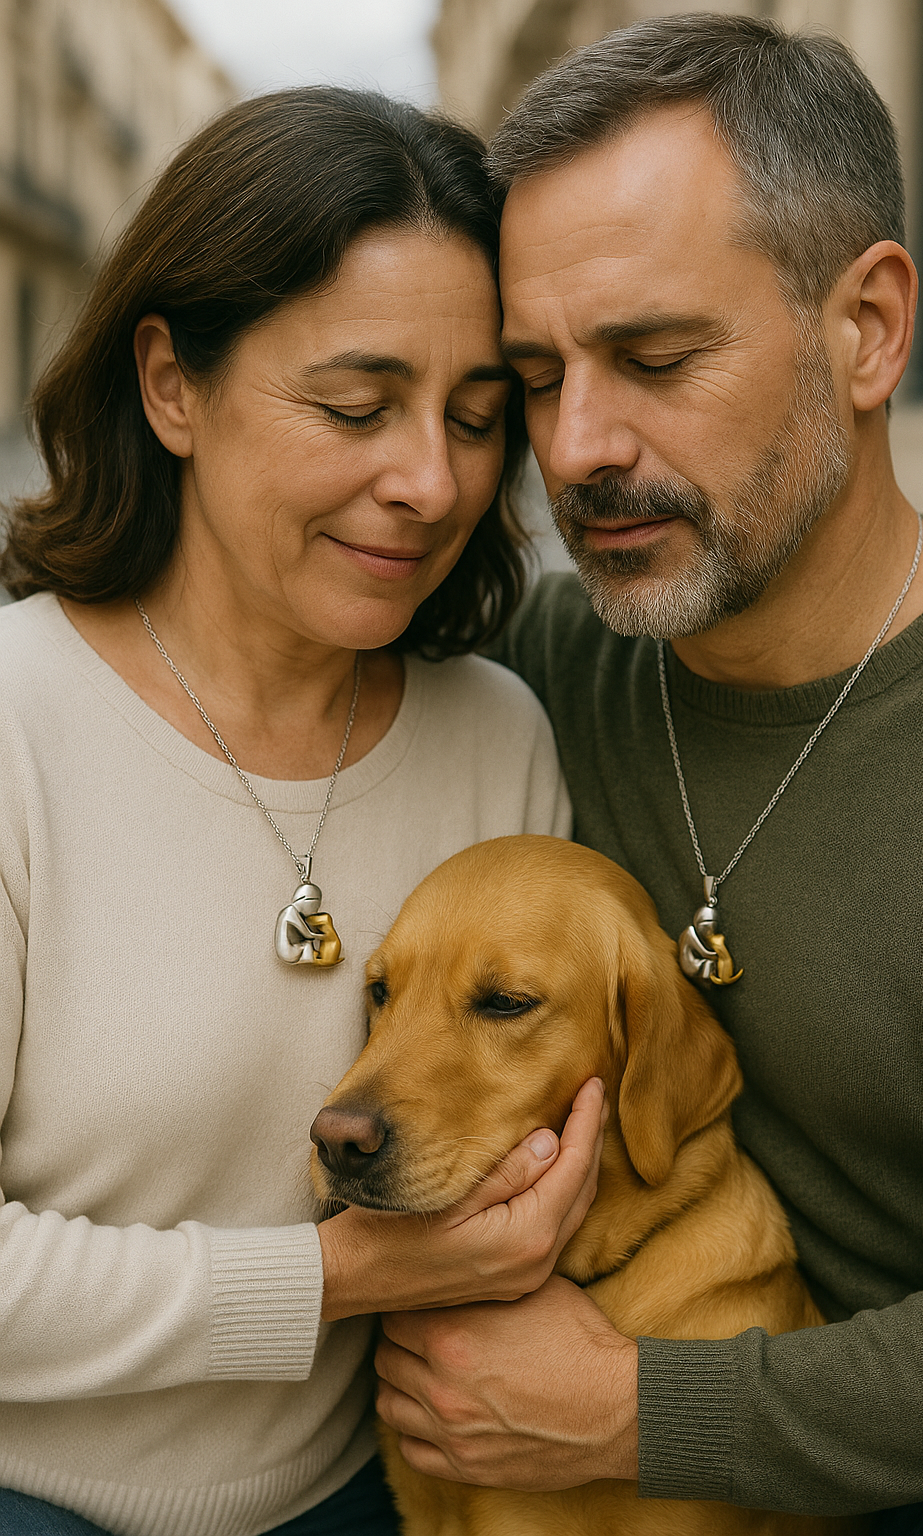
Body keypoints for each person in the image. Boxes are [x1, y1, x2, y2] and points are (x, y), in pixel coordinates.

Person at [373, 16, 923, 1535]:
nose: (578, 447)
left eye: (657, 357)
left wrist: (636, 1414)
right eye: (536, 378)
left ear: (865, 328)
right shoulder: (526, 682)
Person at [0, 87, 607, 1536]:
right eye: (354, 406)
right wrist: (339, 1280)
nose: (430, 481)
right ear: (171, 387)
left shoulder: (499, 741)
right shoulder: (18, 724)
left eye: (475, 419)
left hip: (389, 1494)